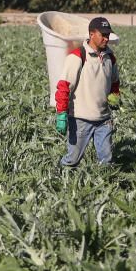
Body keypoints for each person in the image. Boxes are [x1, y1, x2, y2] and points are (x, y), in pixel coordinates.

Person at [54, 17, 121, 166]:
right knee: (73, 160)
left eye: (108, 35)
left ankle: (106, 185)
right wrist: (62, 114)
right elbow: (64, 87)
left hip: (103, 119)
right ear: (91, 34)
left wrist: (115, 96)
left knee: (107, 160)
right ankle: (58, 178)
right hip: (80, 119)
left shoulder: (110, 58)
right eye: (102, 34)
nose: (106, 38)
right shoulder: (77, 56)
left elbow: (115, 83)